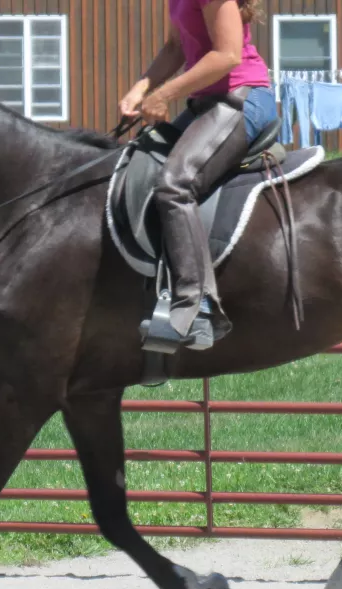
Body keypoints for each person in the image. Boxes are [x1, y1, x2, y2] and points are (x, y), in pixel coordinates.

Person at [119, 0, 278, 351]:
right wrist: (141, 87)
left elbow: (227, 56)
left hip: (243, 98)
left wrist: (165, 94)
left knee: (176, 184)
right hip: (207, 104)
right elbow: (176, 47)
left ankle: (198, 308)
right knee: (139, 161)